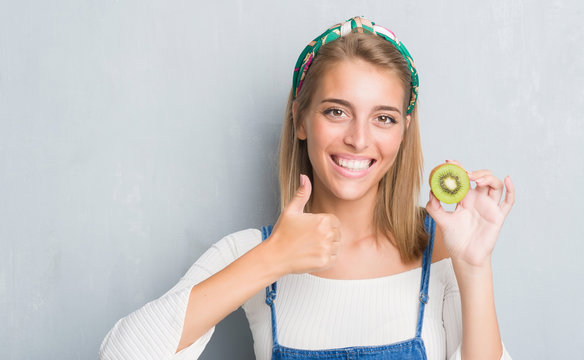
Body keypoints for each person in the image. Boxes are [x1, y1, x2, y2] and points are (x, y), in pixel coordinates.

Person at [99, 16, 515, 360]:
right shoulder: (251, 253)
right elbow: (121, 354)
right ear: (300, 119)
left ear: (404, 133)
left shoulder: (441, 251)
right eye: (336, 111)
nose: (358, 138)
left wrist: (475, 268)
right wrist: (272, 259)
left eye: (383, 118)